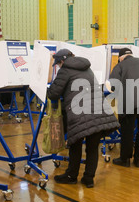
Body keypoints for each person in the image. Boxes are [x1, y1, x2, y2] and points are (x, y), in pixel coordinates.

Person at [47, 49, 119, 187]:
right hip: (99, 111)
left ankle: (71, 176)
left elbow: (53, 93)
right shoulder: (87, 68)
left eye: (58, 64)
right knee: (92, 148)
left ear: (62, 61)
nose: (59, 66)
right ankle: (88, 179)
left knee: (75, 145)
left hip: (80, 114)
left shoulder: (65, 70)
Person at [109, 47, 139, 167]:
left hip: (130, 101)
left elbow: (113, 84)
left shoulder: (120, 65)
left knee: (127, 130)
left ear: (120, 58)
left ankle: (125, 159)